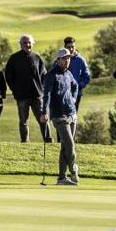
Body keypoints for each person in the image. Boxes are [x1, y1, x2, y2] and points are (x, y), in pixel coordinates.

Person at [39, 48, 79, 184]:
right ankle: (73, 170)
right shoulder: (51, 75)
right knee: (70, 145)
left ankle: (62, 177)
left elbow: (75, 86)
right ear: (58, 60)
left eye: (68, 58)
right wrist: (44, 112)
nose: (67, 60)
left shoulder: (68, 74)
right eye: (64, 58)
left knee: (65, 147)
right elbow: (47, 94)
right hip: (59, 115)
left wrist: (73, 98)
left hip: (72, 113)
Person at [5, 34, 49, 143]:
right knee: (23, 121)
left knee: (43, 119)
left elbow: (44, 75)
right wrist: (15, 89)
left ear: (32, 44)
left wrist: (42, 90)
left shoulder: (37, 58)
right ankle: (25, 142)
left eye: (29, 42)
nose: (27, 44)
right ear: (20, 44)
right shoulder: (14, 58)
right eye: (24, 42)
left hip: (37, 95)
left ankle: (48, 141)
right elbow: (8, 76)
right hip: (22, 96)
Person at [63, 36, 91, 109]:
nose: (71, 49)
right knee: (63, 117)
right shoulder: (60, 59)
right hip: (62, 93)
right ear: (65, 47)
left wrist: (79, 85)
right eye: (69, 47)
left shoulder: (80, 60)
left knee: (73, 116)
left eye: (73, 47)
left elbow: (87, 76)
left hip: (76, 94)